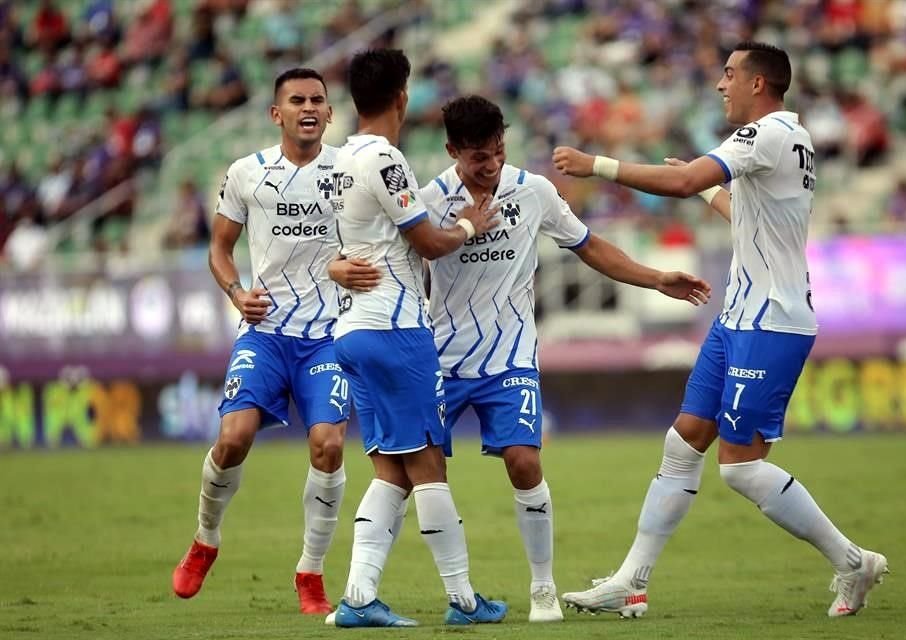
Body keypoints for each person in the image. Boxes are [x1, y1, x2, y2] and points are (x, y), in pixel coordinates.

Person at [330, 94, 712, 624]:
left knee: (524, 461)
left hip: (509, 358)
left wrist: (655, 278)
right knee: (405, 472)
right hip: (437, 357)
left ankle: (542, 588)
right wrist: (336, 268)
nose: (491, 165)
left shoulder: (533, 192)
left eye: (498, 151)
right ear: (452, 151)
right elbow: (373, 245)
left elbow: (589, 245)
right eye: (478, 157)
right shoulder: (427, 199)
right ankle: (364, 593)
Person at [552, 41, 887, 619]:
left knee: (741, 465)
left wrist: (596, 166)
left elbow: (681, 186)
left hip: (773, 322)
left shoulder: (768, 134)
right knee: (682, 443)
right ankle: (630, 582)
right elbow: (747, 214)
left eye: (730, 74)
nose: (720, 84)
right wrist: (707, 186)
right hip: (737, 317)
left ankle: (853, 561)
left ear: (759, 84)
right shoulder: (791, 140)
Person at [327, 49, 506, 628]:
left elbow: (338, 245)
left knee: (390, 469)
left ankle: (357, 597)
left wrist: (335, 266)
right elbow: (428, 242)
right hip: (396, 329)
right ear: (402, 96)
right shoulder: (385, 158)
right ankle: (463, 600)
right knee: (429, 465)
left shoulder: (336, 160)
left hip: (351, 331)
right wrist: (468, 225)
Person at [171, 68, 347, 616]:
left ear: (330, 112)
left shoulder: (349, 171)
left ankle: (310, 573)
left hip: (329, 336)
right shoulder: (248, 173)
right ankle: (205, 538)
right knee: (233, 437)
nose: (308, 108)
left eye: (318, 99)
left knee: (330, 445)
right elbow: (219, 250)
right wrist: (235, 291)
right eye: (297, 100)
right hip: (265, 331)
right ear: (277, 113)